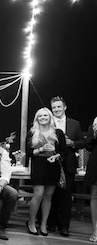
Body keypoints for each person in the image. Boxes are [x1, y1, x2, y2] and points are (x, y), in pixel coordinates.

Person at [26, 108, 67, 237]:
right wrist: (42, 149)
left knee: (48, 196)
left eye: (45, 115)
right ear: (36, 118)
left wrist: (55, 156)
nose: (43, 118)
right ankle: (31, 223)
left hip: (52, 165)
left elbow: (64, 152)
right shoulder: (32, 133)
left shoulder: (58, 133)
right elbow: (28, 153)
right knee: (38, 194)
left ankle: (43, 224)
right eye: (40, 116)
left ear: (50, 117)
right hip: (38, 165)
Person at [49, 96, 84, 236]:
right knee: (51, 194)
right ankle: (51, 224)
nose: (56, 109)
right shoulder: (48, 123)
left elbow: (83, 142)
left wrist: (72, 143)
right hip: (51, 163)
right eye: (54, 107)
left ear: (65, 107)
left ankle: (64, 227)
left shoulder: (75, 124)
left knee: (65, 195)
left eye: (59, 106)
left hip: (68, 163)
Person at [84, 117, 97, 242]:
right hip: (96, 163)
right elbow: (88, 146)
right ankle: (95, 230)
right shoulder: (94, 124)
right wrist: (94, 133)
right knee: (94, 196)